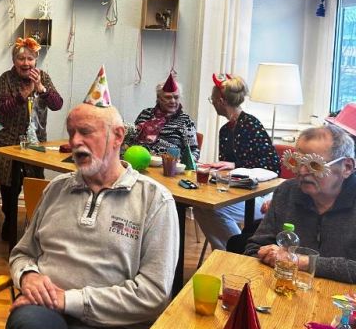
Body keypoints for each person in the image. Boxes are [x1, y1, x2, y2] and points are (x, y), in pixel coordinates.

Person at [5, 103, 179, 329]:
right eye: (71, 132)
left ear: (117, 136)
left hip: (114, 324)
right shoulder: (56, 189)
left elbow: (154, 294)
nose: (75, 141)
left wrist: (68, 300)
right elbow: (22, 253)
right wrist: (28, 276)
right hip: (45, 310)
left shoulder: (154, 200)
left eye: (85, 132)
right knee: (29, 326)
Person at [244, 124, 356, 284]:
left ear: (347, 167)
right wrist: (267, 254)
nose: (302, 171)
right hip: (288, 289)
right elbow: (255, 248)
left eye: (314, 165)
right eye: (296, 162)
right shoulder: (287, 192)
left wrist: (299, 260)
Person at [195, 73, 280, 251]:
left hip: (260, 196)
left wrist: (235, 165)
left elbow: (272, 165)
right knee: (200, 207)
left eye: (212, 100)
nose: (213, 104)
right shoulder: (225, 130)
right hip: (235, 192)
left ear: (221, 101)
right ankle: (228, 252)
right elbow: (227, 169)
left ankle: (239, 251)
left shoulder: (251, 124)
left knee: (214, 209)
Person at [0, 37, 63, 241]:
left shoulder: (44, 77)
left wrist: (41, 88)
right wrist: (24, 94)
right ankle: (9, 221)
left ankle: (34, 226)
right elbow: (4, 108)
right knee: (10, 187)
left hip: (35, 142)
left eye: (30, 59)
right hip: (8, 141)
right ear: (14, 60)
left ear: (36, 60)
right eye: (21, 59)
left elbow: (57, 104)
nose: (26, 63)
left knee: (35, 184)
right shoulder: (6, 78)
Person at [133, 72, 200, 160]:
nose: (173, 101)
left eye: (176, 97)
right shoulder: (146, 114)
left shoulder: (185, 120)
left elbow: (194, 152)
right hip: (141, 160)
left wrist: (182, 163)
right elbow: (132, 139)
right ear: (158, 98)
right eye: (168, 97)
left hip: (170, 165)